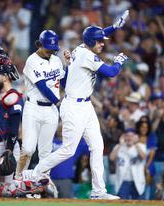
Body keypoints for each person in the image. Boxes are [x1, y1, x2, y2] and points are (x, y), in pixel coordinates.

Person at [22, 10, 130, 200]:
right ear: (91, 43)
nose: (102, 43)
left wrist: (114, 27)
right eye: (99, 41)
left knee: (97, 145)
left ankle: (98, 191)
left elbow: (96, 35)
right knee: (68, 150)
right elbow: (112, 72)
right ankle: (36, 172)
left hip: (85, 106)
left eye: (102, 40)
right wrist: (119, 61)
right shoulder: (88, 56)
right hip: (73, 106)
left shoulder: (82, 47)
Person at [0, 33, 56, 198]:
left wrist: (8, 149)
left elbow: (13, 127)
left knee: (3, 191)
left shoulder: (12, 96)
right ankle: (32, 182)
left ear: (4, 77)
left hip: (4, 146)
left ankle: (39, 185)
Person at [15, 30, 64, 177]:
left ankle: (43, 182)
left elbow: (63, 79)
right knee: (28, 149)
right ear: (40, 45)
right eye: (48, 47)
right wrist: (59, 102)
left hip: (51, 111)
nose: (51, 51)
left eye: (53, 48)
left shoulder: (56, 60)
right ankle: (18, 180)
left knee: (46, 152)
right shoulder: (32, 60)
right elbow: (42, 86)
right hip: (34, 108)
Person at [109, 128, 147, 200]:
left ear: (135, 137)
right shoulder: (119, 146)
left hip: (137, 182)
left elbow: (144, 157)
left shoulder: (141, 146)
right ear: (124, 137)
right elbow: (111, 158)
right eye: (127, 136)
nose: (129, 138)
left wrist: (135, 144)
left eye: (132, 136)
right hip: (123, 181)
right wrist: (120, 144)